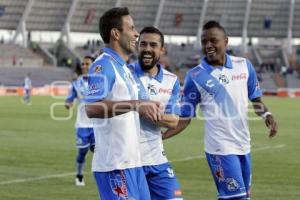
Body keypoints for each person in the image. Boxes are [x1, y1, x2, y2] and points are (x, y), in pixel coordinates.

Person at [163, 20, 278, 200]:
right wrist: (161, 136)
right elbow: (184, 118)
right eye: (204, 41)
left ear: (226, 41)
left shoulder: (244, 66)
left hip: (243, 146)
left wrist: (267, 114)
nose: (208, 45)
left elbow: (256, 100)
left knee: (241, 197)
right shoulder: (195, 76)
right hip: (219, 149)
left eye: (213, 40)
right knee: (236, 198)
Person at [84, 7, 161, 200]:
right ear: (115, 33)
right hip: (114, 166)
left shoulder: (125, 69)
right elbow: (91, 108)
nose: (136, 34)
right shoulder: (103, 65)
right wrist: (135, 104)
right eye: (132, 28)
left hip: (133, 164)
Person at [128, 26, 183, 199]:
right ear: (138, 47)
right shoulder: (125, 73)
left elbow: (174, 121)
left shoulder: (171, 80)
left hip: (157, 160)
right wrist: (138, 107)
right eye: (143, 44)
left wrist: (146, 111)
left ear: (162, 50)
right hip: (129, 161)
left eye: (153, 45)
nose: (147, 49)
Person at [65, 55, 95, 186]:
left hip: (98, 125)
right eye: (83, 64)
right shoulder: (76, 84)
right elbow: (70, 98)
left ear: (93, 65)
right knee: (82, 152)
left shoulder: (100, 81)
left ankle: (104, 177)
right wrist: (68, 103)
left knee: (100, 151)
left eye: (87, 64)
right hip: (82, 124)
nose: (84, 66)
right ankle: (79, 175)